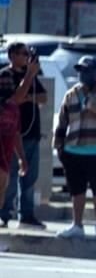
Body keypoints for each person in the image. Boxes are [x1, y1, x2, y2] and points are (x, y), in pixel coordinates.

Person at [53, 56, 96, 239]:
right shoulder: (71, 93)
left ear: (94, 72)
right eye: (80, 70)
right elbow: (62, 121)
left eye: (87, 70)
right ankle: (77, 224)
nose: (83, 74)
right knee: (76, 189)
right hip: (73, 149)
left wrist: (90, 99)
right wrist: (59, 144)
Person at [0, 43, 48, 229]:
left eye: (27, 54)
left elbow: (43, 97)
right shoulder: (5, 76)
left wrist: (29, 94)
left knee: (30, 176)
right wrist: (29, 77)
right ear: (12, 56)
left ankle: (26, 214)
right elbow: (15, 99)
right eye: (22, 54)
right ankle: (4, 213)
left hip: (30, 131)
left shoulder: (31, 76)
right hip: (10, 134)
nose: (26, 57)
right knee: (8, 175)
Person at [0, 49, 31, 226]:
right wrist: (30, 74)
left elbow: (16, 133)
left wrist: (22, 158)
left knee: (3, 185)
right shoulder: (8, 105)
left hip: (6, 152)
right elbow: (19, 96)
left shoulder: (13, 109)